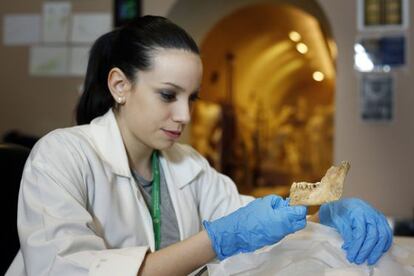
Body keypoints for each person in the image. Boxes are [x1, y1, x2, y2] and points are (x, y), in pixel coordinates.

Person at [7, 16, 392, 276]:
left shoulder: (184, 163)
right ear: (120, 86)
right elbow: (63, 270)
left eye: (190, 98)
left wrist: (322, 219)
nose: (185, 115)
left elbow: (251, 224)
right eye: (168, 95)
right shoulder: (59, 156)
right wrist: (216, 240)